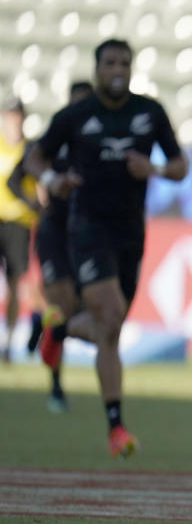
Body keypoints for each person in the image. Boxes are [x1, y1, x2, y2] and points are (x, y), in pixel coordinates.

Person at [24, 39, 188, 457]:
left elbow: (180, 165)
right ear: (97, 69)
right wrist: (51, 182)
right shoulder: (77, 115)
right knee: (110, 315)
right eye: (111, 62)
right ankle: (116, 428)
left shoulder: (149, 113)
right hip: (87, 229)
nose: (118, 69)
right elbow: (34, 159)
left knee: (108, 329)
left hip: (130, 232)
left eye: (125, 63)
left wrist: (152, 168)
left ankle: (58, 329)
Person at [10, 81, 95, 412]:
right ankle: (56, 388)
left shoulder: (100, 144)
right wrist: (38, 201)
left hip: (89, 234)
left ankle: (40, 324)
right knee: (61, 303)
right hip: (54, 232)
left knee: (73, 312)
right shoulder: (54, 139)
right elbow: (16, 176)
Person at [0, 96, 37, 362]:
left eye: (16, 115)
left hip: (20, 223)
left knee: (15, 283)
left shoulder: (30, 149)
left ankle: (9, 343)